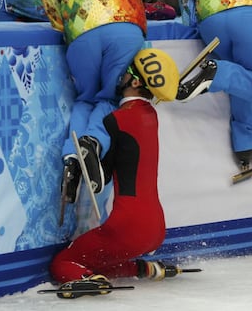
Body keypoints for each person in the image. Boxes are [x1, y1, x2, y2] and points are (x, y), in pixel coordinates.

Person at [49, 48, 182, 298]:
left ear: (134, 81)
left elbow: (101, 175)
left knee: (64, 262)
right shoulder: (151, 115)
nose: (119, 76)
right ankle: (142, 268)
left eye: (125, 73)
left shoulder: (116, 119)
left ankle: (87, 280)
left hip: (127, 227)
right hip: (155, 229)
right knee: (99, 256)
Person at [39, 0, 147, 203]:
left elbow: (51, 6)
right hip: (126, 19)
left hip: (80, 26)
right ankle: (93, 141)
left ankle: (72, 158)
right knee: (111, 97)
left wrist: (66, 26)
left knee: (85, 99)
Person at [176, 0, 252, 169]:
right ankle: (216, 73)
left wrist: (190, 18)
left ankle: (246, 142)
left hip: (209, 16)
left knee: (242, 78)